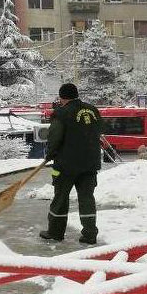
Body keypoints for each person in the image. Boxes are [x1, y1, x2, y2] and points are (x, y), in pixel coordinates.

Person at [40, 83, 104, 245]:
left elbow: (55, 137)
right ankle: (90, 234)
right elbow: (98, 130)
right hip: (90, 165)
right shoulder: (93, 110)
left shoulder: (60, 113)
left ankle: (55, 232)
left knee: (61, 197)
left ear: (62, 97)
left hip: (65, 165)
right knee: (87, 199)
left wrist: (49, 155)